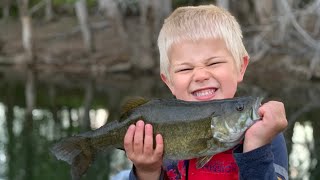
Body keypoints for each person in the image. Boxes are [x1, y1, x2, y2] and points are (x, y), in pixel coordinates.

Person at [123, 4, 288, 180]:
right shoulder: (158, 130)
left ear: (241, 67)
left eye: (213, 63)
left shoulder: (265, 134)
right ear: (169, 82)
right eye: (185, 69)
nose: (200, 75)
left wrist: (256, 146)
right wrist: (147, 171)